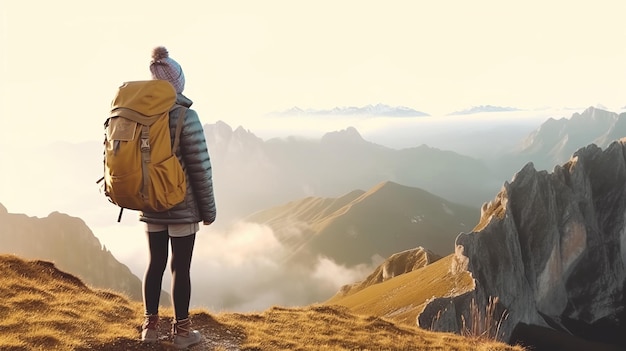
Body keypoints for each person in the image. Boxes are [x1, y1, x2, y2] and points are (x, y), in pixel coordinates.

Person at [140, 46, 217, 349]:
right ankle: (182, 332)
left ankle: (149, 327)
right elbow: (200, 168)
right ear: (178, 83)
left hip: (148, 202)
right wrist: (208, 212)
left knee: (154, 263)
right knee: (179, 267)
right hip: (181, 206)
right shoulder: (187, 116)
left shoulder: (142, 114)